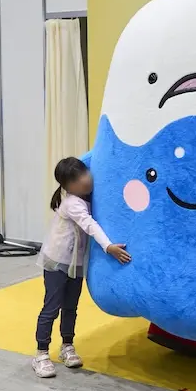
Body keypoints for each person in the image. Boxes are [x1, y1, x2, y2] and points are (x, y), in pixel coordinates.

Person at [33, 157, 131, 378]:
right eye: (76, 179)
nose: (85, 180)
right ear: (68, 186)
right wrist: (108, 247)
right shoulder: (73, 203)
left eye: (84, 173)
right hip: (57, 262)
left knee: (71, 307)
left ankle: (67, 346)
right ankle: (41, 353)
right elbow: (90, 225)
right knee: (51, 308)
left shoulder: (87, 197)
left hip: (75, 263)